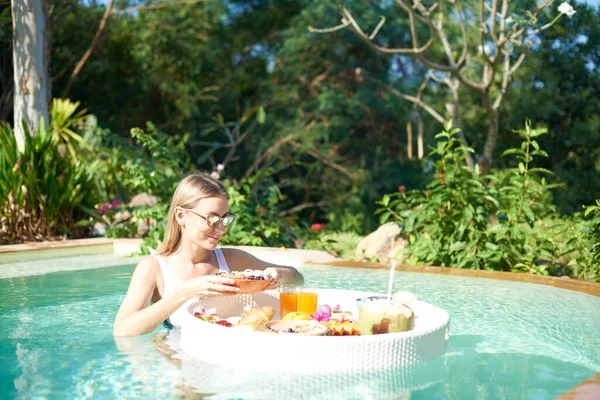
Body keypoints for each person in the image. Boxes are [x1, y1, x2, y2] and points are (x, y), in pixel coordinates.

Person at [113, 172, 304, 337]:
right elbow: (122, 329)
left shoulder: (233, 260)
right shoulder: (154, 268)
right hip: (186, 363)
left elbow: (298, 279)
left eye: (225, 219)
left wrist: (280, 275)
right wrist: (184, 292)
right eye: (212, 218)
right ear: (181, 216)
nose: (220, 228)